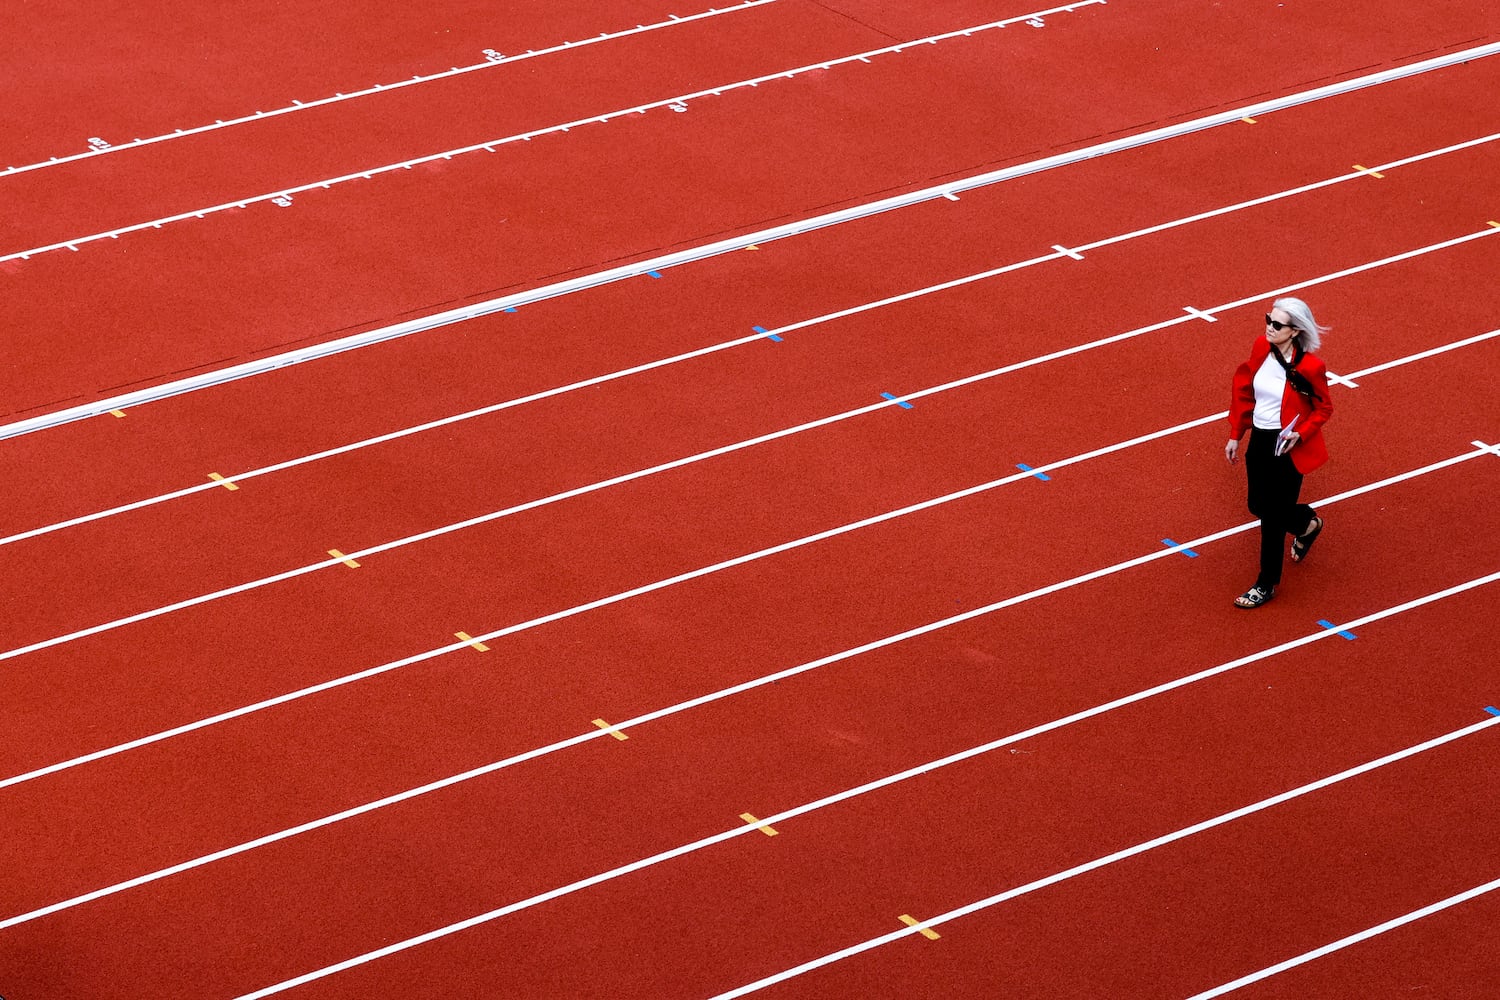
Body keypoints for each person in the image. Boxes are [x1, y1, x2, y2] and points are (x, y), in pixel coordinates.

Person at [1225, 297, 1333, 608]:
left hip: (1288, 446)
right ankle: (1306, 524)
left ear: (1295, 331)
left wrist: (1301, 433)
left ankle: (1266, 583)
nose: (1269, 327)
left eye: (1277, 324)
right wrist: (1236, 433)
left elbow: (1324, 407)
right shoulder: (1262, 347)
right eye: (1268, 320)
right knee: (1257, 504)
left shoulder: (1311, 366)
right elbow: (1243, 389)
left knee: (1271, 518)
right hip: (1260, 439)